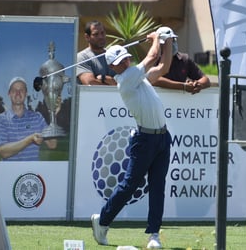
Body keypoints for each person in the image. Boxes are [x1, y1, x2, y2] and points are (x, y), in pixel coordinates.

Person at [90, 30, 174, 248]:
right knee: (129, 186)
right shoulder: (126, 80)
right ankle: (103, 220)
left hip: (163, 138)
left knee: (158, 187)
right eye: (120, 61)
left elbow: (163, 66)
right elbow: (152, 57)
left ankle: (154, 235)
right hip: (144, 140)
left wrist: (169, 40)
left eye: (126, 58)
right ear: (113, 67)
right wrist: (156, 38)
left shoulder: (138, 77)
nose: (125, 62)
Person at [0, 77, 58, 161]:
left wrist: (53, 114)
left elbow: (52, 144)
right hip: (9, 172)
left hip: (32, 172)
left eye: (21, 90)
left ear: (26, 93)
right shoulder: (0, 119)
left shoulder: (37, 117)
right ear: (9, 94)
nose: (18, 93)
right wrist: (30, 139)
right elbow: (3, 152)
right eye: (14, 90)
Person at [151, 27, 211, 94]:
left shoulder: (184, 59)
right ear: (159, 44)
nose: (171, 44)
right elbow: (155, 79)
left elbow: (206, 80)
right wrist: (183, 86)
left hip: (180, 103)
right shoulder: (154, 59)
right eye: (167, 41)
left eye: (173, 40)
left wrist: (197, 85)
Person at [76, 20, 116, 85]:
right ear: (87, 37)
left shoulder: (114, 55)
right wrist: (113, 83)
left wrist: (104, 79)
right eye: (96, 34)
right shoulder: (82, 57)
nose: (100, 37)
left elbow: (126, 81)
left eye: (102, 33)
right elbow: (90, 83)